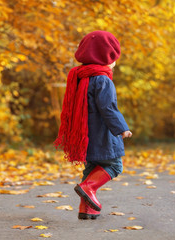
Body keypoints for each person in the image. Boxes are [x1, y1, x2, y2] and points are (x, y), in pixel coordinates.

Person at [54, 30, 132, 220]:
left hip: (84, 134)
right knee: (114, 165)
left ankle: (87, 209)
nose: (114, 61)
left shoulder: (79, 76)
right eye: (113, 57)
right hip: (103, 134)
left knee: (91, 168)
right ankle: (88, 188)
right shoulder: (103, 79)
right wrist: (122, 128)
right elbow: (108, 108)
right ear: (106, 56)